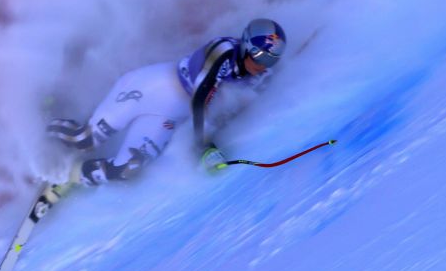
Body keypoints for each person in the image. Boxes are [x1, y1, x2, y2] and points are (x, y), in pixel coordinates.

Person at [41, 18, 287, 205]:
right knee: (86, 138)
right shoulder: (223, 52)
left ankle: (69, 175)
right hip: (150, 89)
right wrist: (205, 145)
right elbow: (201, 97)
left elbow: (227, 107)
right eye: (259, 58)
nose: (261, 67)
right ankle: (43, 127)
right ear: (245, 47)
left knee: (127, 169)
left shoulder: (259, 75)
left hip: (168, 116)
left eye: (269, 61)